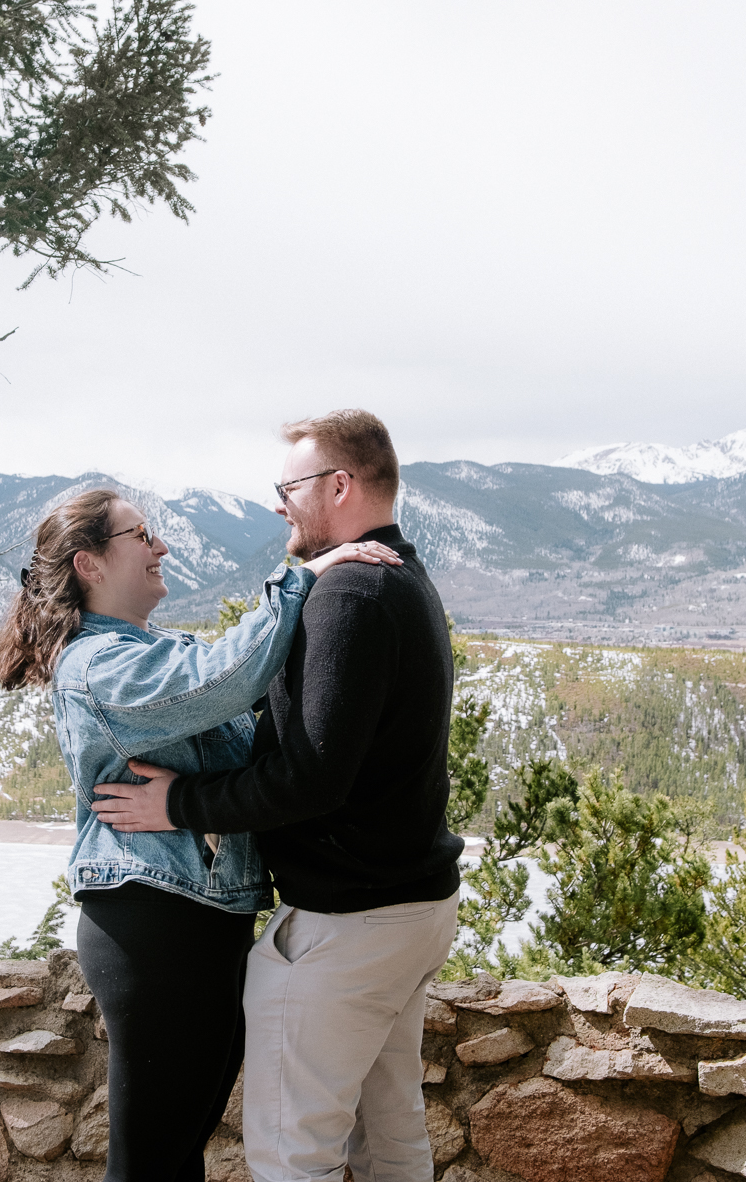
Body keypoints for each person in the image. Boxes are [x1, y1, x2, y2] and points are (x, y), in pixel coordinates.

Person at [0, 487, 400, 1182]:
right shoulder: (98, 668)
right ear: (89, 564)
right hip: (154, 925)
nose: (161, 546)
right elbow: (220, 681)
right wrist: (302, 577)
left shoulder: (149, 649)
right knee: (151, 1162)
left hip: (197, 922)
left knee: (179, 1155)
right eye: (141, 534)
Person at [92, 410, 463, 1182]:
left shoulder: (352, 594)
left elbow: (310, 777)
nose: (275, 504)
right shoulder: (404, 579)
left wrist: (178, 805)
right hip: (414, 911)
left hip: (349, 926)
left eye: (286, 487)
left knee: (293, 1153)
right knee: (392, 1137)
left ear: (339, 485)